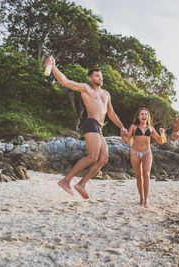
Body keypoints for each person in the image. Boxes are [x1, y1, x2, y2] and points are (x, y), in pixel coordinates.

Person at [45, 57, 128, 199]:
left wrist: (122, 127)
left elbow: (111, 113)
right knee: (92, 156)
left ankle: (81, 184)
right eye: (97, 75)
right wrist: (53, 67)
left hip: (100, 128)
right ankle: (66, 180)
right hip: (91, 123)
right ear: (90, 78)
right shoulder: (86, 88)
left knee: (103, 159)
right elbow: (65, 81)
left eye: (101, 76)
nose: (100, 78)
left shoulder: (106, 94)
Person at [122, 108, 167, 208]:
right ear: (138, 116)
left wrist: (162, 133)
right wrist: (122, 134)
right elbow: (127, 141)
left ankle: (146, 200)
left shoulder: (150, 128)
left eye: (146, 114)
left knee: (146, 174)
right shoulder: (133, 127)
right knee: (138, 176)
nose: (144, 116)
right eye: (142, 114)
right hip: (135, 153)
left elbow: (160, 141)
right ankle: (141, 198)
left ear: (148, 117)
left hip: (147, 152)